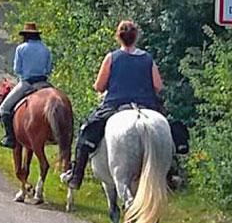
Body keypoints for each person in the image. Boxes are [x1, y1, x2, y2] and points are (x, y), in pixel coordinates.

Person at [62, 20, 189, 189]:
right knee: (169, 130)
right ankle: (172, 172)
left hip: (115, 104)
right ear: (136, 37)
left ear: (118, 37)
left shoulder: (112, 57)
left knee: (87, 130)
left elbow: (99, 86)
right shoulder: (147, 58)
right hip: (146, 106)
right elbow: (158, 86)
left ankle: (77, 174)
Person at [0, 22, 53, 148]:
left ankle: (10, 138)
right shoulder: (46, 49)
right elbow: (49, 69)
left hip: (27, 83)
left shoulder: (21, 48)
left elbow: (17, 69)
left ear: (25, 35)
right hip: (44, 83)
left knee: (4, 108)